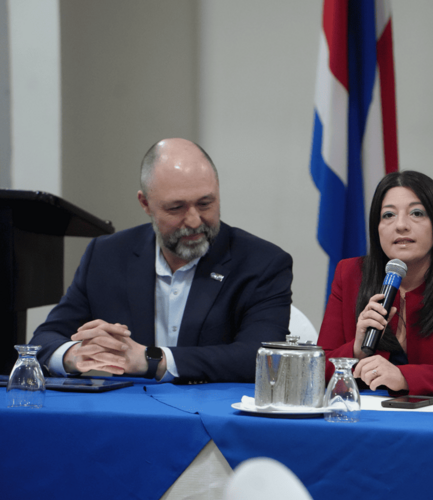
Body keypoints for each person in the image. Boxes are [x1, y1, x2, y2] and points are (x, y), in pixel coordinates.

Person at [30, 138, 293, 383]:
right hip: (128, 410)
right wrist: (76, 354)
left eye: (205, 204)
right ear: (145, 204)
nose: (194, 221)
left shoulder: (262, 263)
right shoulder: (106, 255)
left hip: (212, 413)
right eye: (176, 208)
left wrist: (152, 360)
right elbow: (42, 340)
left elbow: (262, 358)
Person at [317, 171, 433, 397]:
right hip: (372, 414)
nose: (401, 225)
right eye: (388, 215)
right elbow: (318, 370)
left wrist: (404, 377)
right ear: (376, 227)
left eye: (416, 213)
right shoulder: (350, 274)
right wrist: (356, 349)